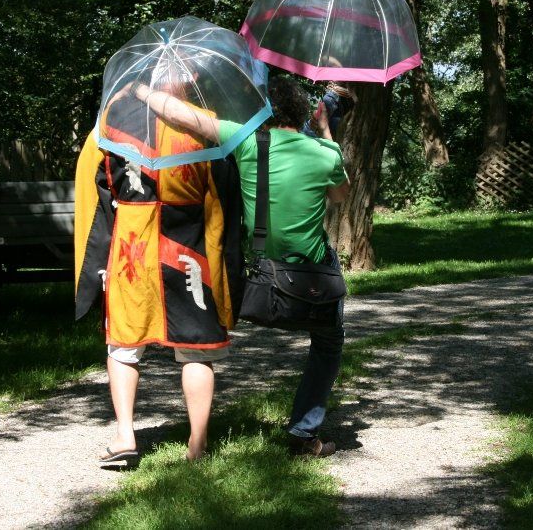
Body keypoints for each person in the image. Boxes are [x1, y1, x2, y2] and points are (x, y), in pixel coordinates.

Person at [134, 75, 350, 457]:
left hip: (259, 283)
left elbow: (183, 115)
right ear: (303, 112)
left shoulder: (247, 139)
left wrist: (140, 89)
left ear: (261, 115)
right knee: (330, 344)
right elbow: (339, 196)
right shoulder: (324, 152)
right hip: (313, 284)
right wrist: (326, 130)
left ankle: (200, 432)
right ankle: (304, 433)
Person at [74, 66, 244, 464]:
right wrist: (223, 261)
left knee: (124, 345)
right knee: (195, 349)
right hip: (188, 250)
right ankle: (197, 446)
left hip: (131, 247)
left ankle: (125, 435)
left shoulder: (111, 117)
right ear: (187, 80)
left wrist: (95, 255)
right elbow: (222, 196)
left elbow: (91, 182)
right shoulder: (204, 124)